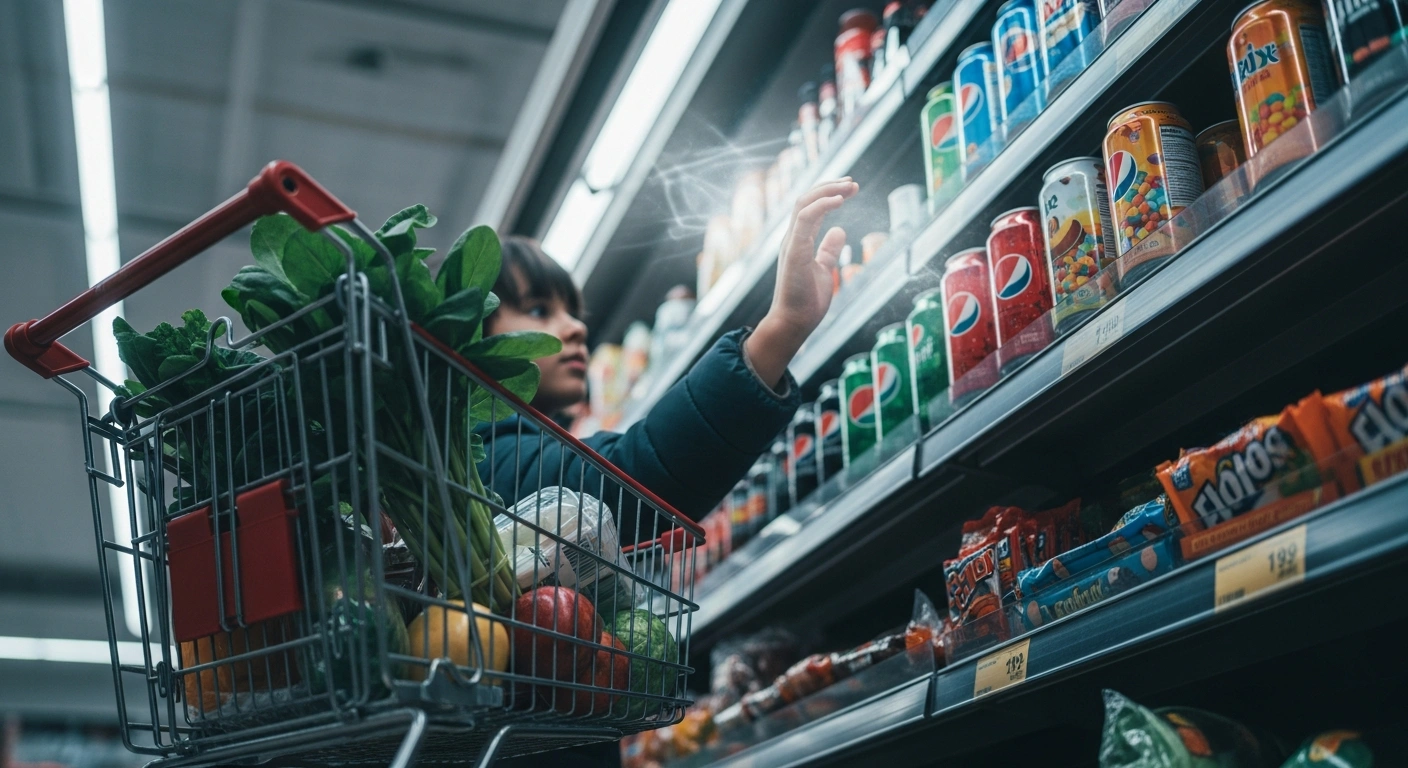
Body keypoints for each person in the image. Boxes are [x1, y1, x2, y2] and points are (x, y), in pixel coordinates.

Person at [481, 178, 857, 767]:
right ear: (471, 336)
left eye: (573, 311)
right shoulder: (484, 447)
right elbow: (629, 481)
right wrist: (780, 328)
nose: (576, 327)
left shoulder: (514, 443)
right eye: (537, 309)